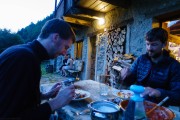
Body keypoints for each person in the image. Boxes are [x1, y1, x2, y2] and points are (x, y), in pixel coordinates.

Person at [0, 18, 76, 119]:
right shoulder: (25, 58)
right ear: (56, 37)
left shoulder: (26, 53)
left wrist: (45, 95)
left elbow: (19, 98)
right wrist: (55, 103)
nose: (64, 53)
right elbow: (9, 115)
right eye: (66, 47)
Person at [121, 27, 180, 106]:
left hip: (157, 107)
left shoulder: (173, 65)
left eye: (154, 44)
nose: (149, 48)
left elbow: (178, 96)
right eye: (147, 44)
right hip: (137, 102)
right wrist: (125, 76)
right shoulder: (141, 59)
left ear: (164, 44)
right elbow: (129, 81)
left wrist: (159, 92)